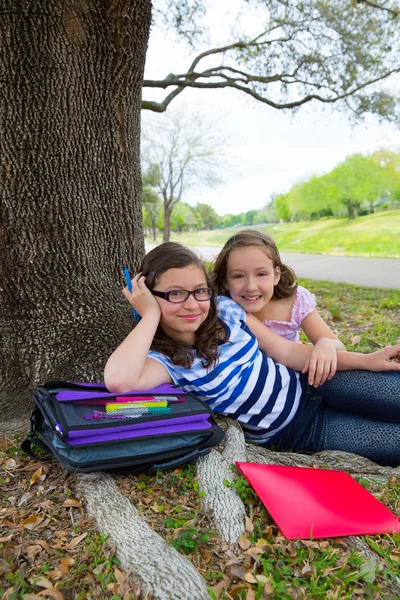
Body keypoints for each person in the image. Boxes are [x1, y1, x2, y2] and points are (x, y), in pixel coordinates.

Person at [104, 243, 400, 467]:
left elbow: (287, 352)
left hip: (316, 383)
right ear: (150, 299)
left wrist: (366, 360)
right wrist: (149, 317)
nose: (192, 304)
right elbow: (119, 381)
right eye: (175, 294)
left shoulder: (227, 312)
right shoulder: (167, 362)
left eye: (198, 291)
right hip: (300, 431)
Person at [212, 229, 346, 386]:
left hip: (302, 381)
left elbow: (339, 348)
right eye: (238, 276)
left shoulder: (295, 302)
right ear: (225, 281)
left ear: (276, 275)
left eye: (261, 274)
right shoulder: (224, 311)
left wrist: (326, 343)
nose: (251, 287)